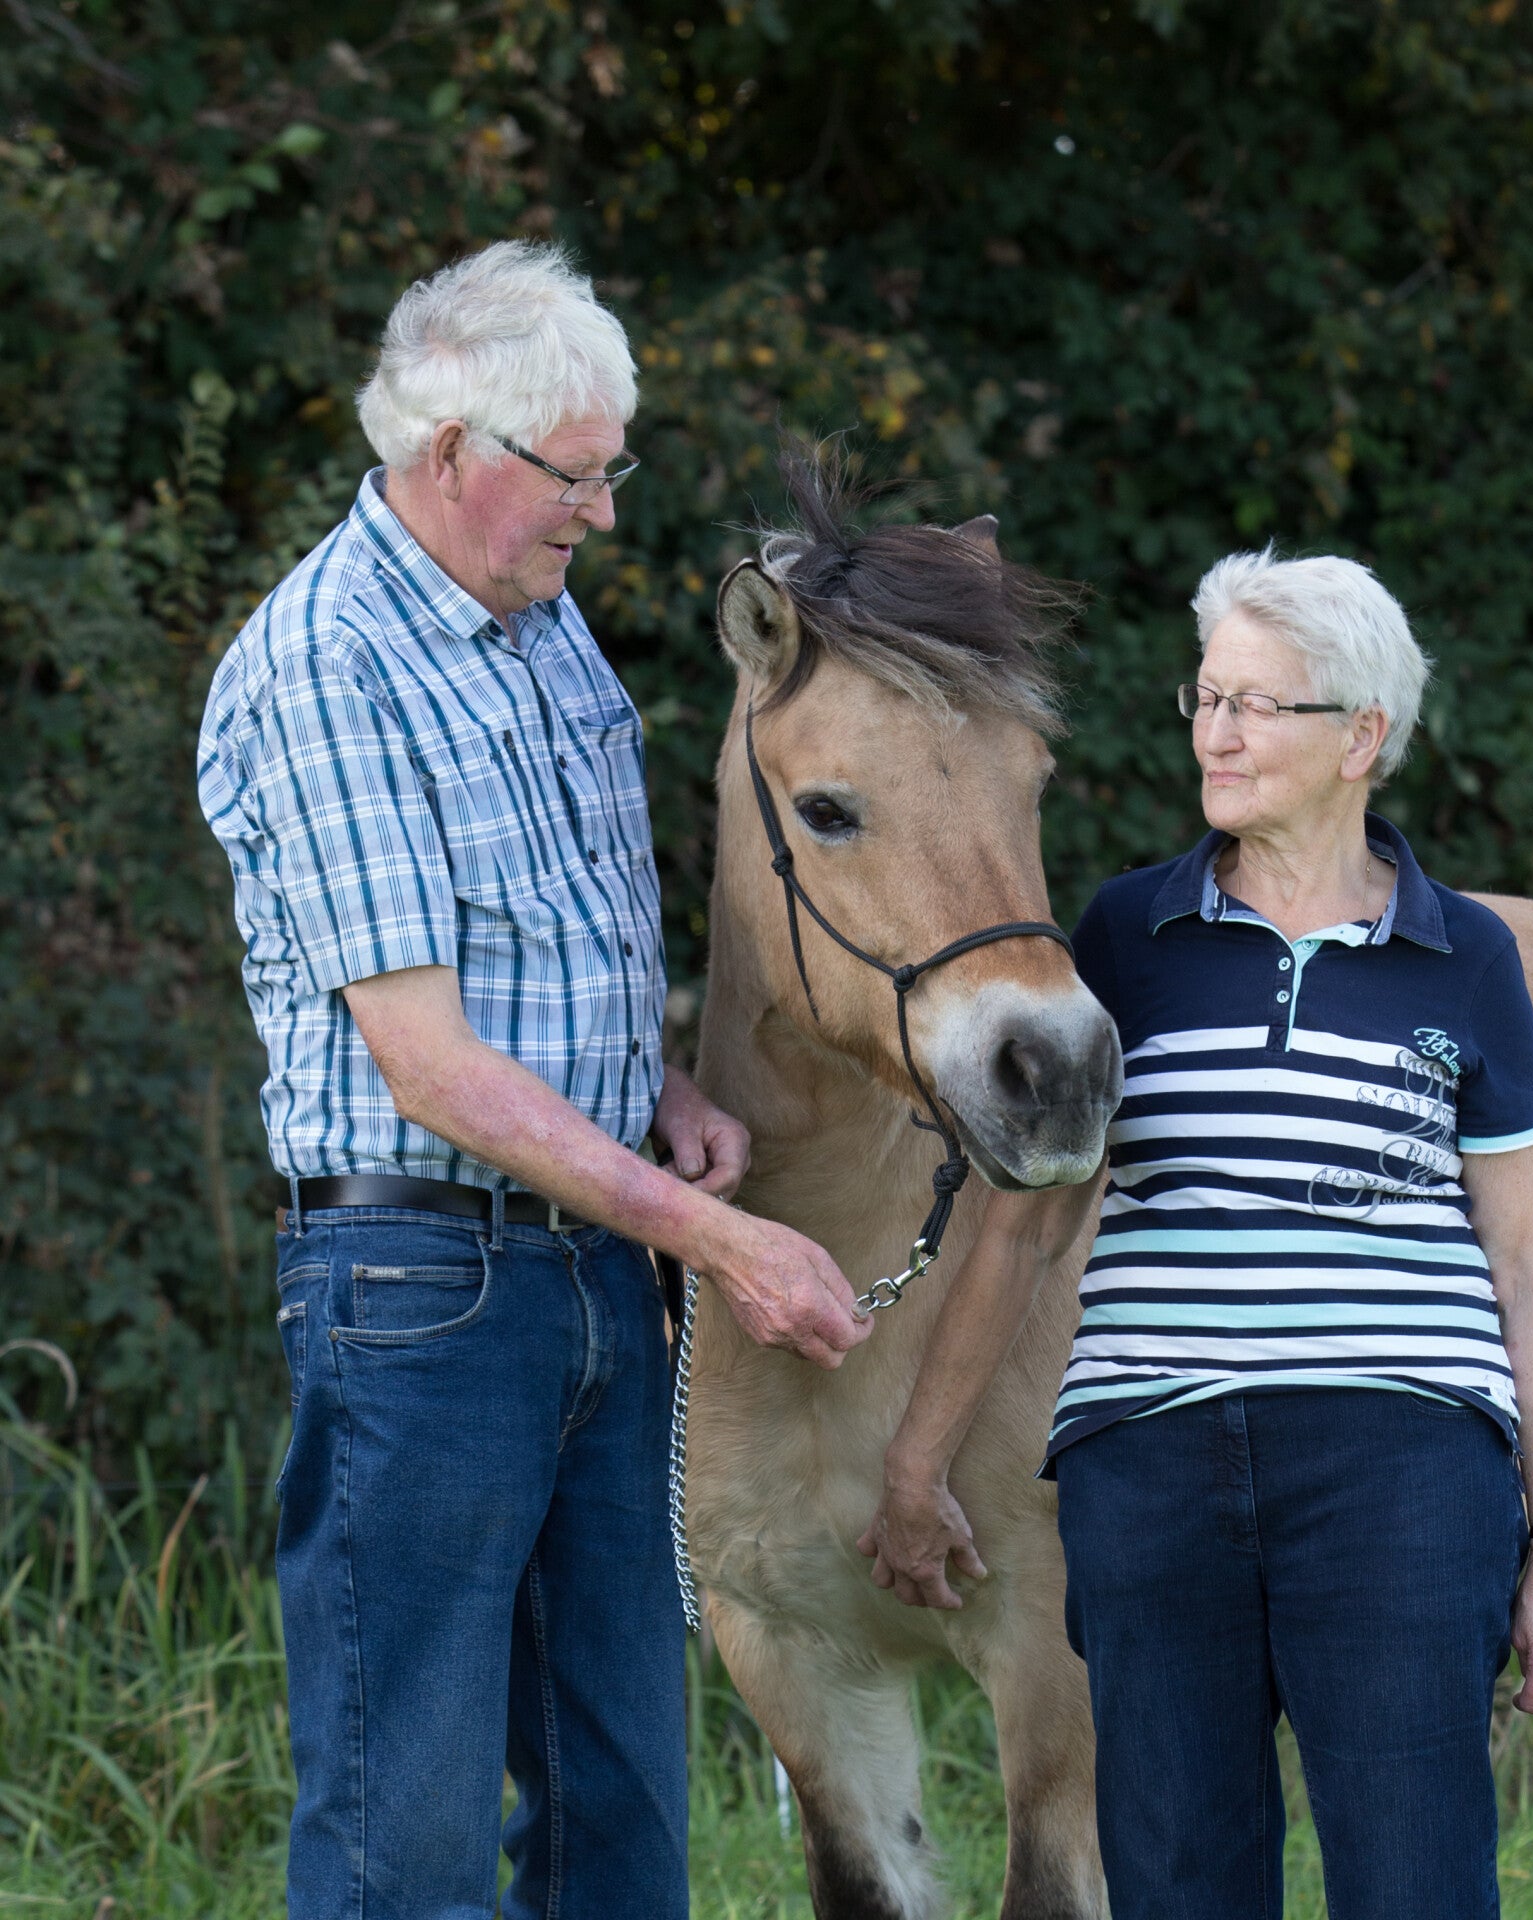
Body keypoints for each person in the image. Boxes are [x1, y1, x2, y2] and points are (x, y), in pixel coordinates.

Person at [198, 240, 869, 1920]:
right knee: (407, 1834)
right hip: (418, 1292)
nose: (604, 514)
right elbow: (429, 1066)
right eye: (578, 476)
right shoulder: (329, 664)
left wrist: (662, 1084)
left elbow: (554, 941)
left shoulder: (541, 623)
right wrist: (719, 1242)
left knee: (622, 1817)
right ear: (453, 456)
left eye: (610, 471)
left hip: (591, 1270)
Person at [859, 549, 1533, 1917]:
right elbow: (1025, 1232)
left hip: (1403, 1468)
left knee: (1415, 1886)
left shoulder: (1466, 957)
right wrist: (917, 1462)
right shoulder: (1124, 936)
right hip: (1151, 1469)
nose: (1217, 733)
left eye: (1259, 706)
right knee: (1177, 1884)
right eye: (1206, 697)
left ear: (1363, 738)